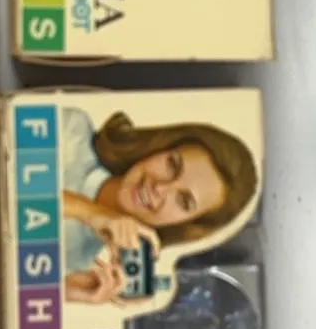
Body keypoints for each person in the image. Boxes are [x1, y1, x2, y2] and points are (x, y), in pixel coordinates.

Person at [61, 105, 259, 304]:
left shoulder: (78, 262)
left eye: (183, 201)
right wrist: (92, 213)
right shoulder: (72, 131)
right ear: (160, 148)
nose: (160, 188)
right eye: (172, 165)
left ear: (184, 224)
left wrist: (64, 292)